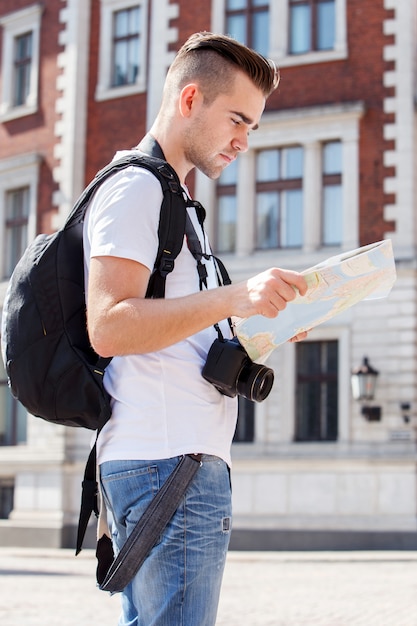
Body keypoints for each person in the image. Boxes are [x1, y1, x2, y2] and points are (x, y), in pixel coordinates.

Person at [84, 31, 308, 626]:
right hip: (168, 465)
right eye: (237, 119)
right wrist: (237, 294)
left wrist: (259, 322)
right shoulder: (136, 187)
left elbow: (175, 332)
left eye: (253, 128)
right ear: (189, 101)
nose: (243, 141)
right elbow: (109, 325)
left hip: (175, 463)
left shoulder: (172, 199)